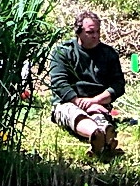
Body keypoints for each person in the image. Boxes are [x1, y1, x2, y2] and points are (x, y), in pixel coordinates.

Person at [49, 10, 126, 158]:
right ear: (79, 32)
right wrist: (81, 102)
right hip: (68, 103)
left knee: (100, 116)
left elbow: (118, 85)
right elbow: (59, 83)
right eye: (91, 32)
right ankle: (96, 135)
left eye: (98, 31)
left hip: (99, 105)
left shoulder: (109, 54)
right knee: (74, 114)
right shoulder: (62, 52)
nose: (96, 36)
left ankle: (104, 136)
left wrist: (95, 101)